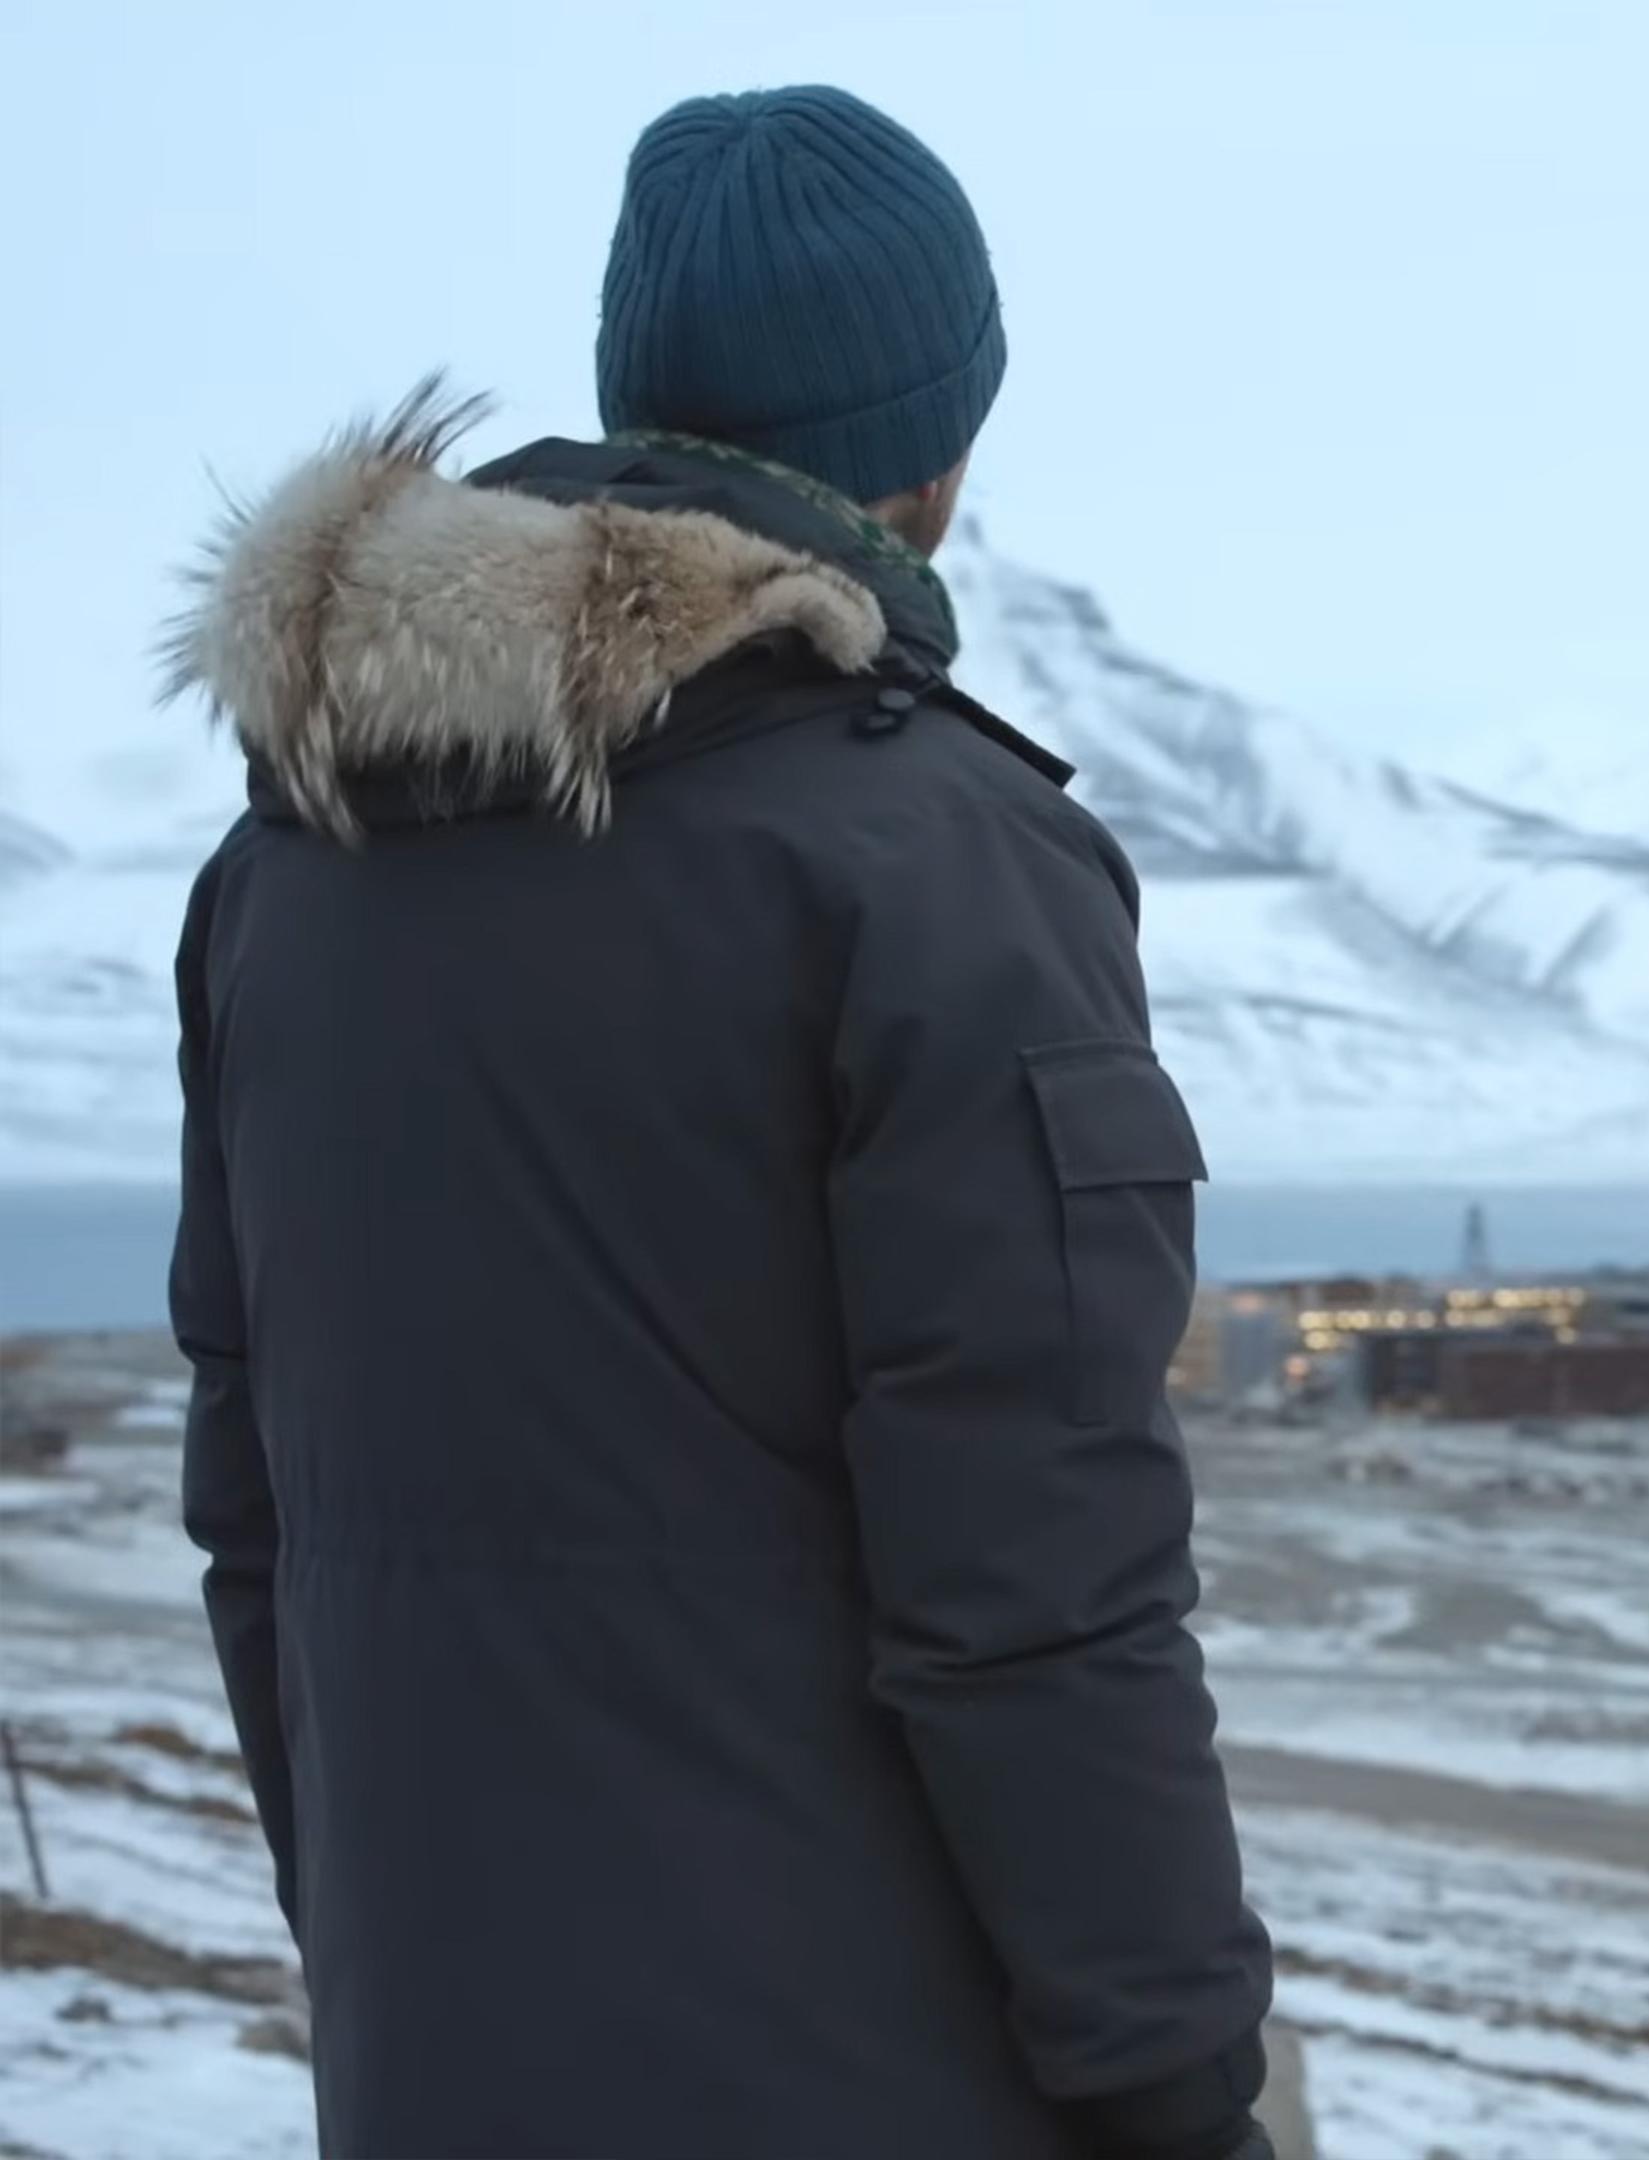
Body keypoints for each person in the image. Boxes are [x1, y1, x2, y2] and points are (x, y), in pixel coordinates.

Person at [167, 85, 1275, 2159]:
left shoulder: (285, 876)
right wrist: (1172, 2081)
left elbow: (260, 1520)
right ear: (936, 458)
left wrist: (405, 1966)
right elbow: (1036, 1581)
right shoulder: (935, 862)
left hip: (437, 2063)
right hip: (878, 2085)